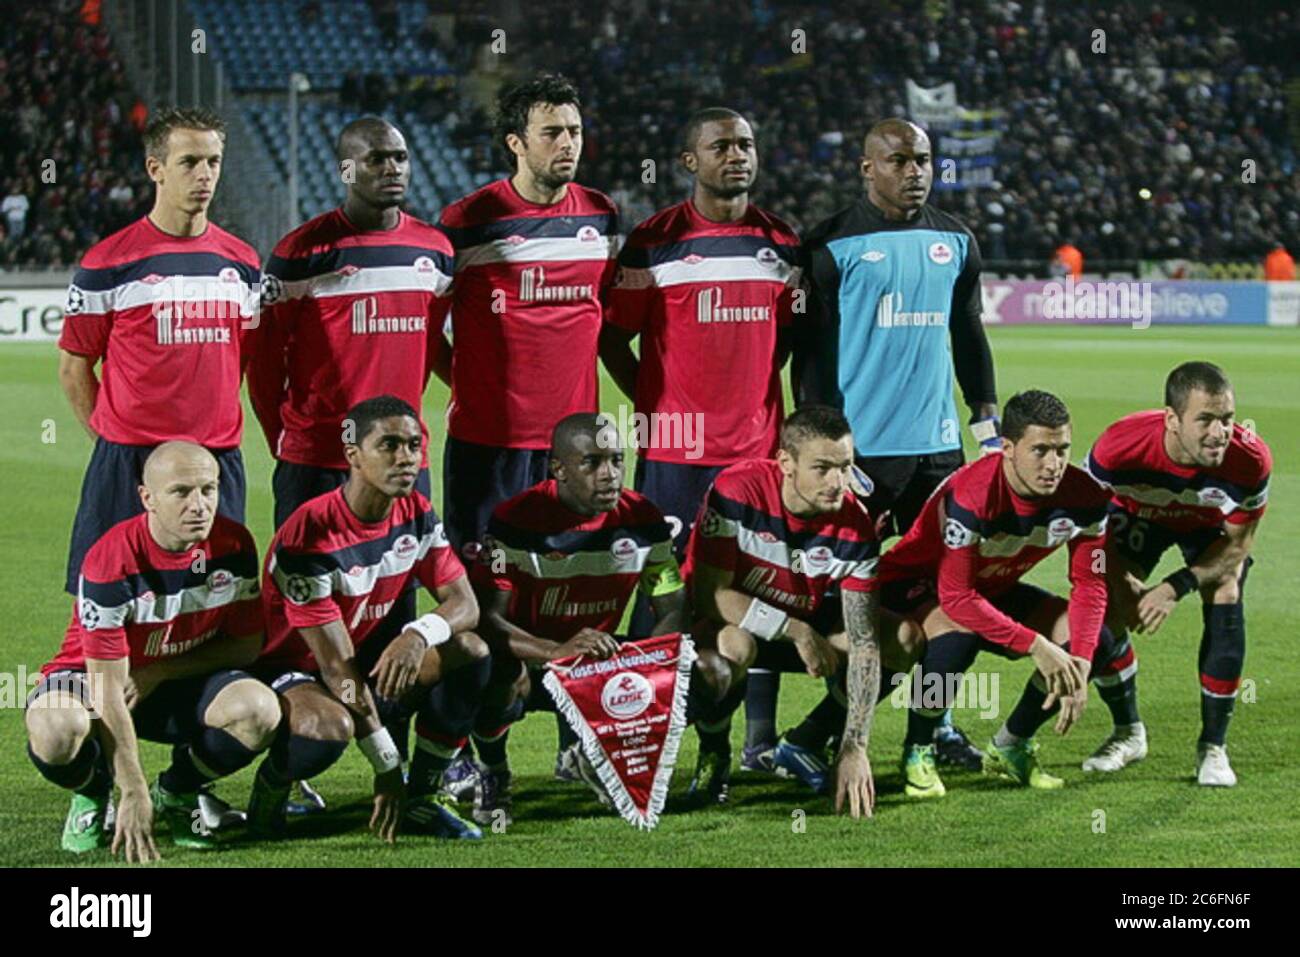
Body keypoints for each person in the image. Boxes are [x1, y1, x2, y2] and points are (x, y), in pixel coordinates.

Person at [245, 117, 455, 803]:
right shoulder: (301, 252)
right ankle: (294, 756)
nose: (392, 168)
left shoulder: (433, 250)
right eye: (376, 159)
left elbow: (437, 343)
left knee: (395, 619)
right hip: (314, 460)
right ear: (345, 169)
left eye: (399, 157)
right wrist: (293, 436)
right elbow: (262, 362)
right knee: (302, 626)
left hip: (399, 461)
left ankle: (387, 766)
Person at [787, 118, 999, 770]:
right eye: (901, 160)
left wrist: (986, 424)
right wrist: (826, 451)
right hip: (863, 460)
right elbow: (808, 358)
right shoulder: (828, 245)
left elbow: (968, 336)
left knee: (951, 596)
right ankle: (817, 733)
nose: (916, 172)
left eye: (924, 160)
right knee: (855, 603)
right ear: (866, 166)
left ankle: (938, 725)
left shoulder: (956, 241)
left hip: (938, 453)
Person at [427, 73, 620, 779]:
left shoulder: (600, 215)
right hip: (488, 448)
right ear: (516, 142)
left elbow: (606, 322)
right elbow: (428, 331)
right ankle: (473, 751)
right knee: (484, 601)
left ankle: (578, 739)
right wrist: (478, 389)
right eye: (551, 132)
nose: (567, 144)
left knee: (573, 593)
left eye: (573, 130)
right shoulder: (471, 219)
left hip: (573, 454)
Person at [600, 107, 800, 692]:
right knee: (664, 590)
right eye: (721, 147)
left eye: (745, 145)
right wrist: (653, 405)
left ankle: (757, 742)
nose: (736, 155)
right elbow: (613, 336)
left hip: (756, 453)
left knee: (758, 589)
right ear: (690, 161)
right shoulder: (655, 242)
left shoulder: (781, 242)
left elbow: (784, 338)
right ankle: (639, 720)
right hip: (674, 454)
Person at [458, 413, 733, 824]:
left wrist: (637, 668)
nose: (610, 475)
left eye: (617, 460)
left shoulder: (644, 520)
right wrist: (555, 650)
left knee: (713, 670)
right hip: (534, 662)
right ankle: (494, 771)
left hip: (601, 662)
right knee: (497, 676)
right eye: (592, 463)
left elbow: (672, 607)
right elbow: (489, 621)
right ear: (559, 469)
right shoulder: (513, 521)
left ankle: (660, 753)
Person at [251, 395, 490, 840]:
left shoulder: (415, 511)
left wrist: (419, 634)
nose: (407, 458)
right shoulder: (311, 535)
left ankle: (421, 797)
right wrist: (385, 765)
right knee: (330, 728)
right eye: (390, 445)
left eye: (414, 445)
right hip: (295, 672)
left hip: (359, 663)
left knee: (470, 651)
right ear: (353, 456)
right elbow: (336, 669)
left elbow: (465, 605)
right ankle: (271, 789)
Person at [25, 442, 276, 861]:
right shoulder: (112, 559)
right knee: (55, 728)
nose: (199, 505)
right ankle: (92, 794)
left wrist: (160, 671)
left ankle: (175, 792)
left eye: (208, 489)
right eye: (181, 492)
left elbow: (247, 646)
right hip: (94, 679)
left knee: (258, 710)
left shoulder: (234, 545)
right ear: (148, 498)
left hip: (173, 679)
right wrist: (131, 787)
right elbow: (108, 687)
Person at [871, 390, 1130, 798]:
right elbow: (955, 595)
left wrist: (1077, 658)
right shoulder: (975, 494)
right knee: (956, 638)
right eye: (1040, 450)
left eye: (1062, 449)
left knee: (1096, 641)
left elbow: (1091, 583)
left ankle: (1011, 745)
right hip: (913, 583)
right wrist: (1035, 646)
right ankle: (918, 747)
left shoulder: (1086, 497)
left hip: (988, 587)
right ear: (1007, 448)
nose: (1053, 464)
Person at [58, 107, 259, 600]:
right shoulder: (108, 262)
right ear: (156, 169)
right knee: (106, 597)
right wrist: (115, 440)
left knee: (216, 602)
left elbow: (241, 356)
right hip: (129, 461)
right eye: (190, 161)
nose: (205, 174)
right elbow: (74, 366)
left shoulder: (243, 263)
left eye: (213, 161)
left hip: (216, 458)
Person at [683, 406, 908, 803]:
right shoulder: (737, 491)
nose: (837, 482)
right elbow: (711, 595)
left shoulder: (856, 526)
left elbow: (865, 642)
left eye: (845, 467)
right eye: (822, 468)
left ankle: (807, 740)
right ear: (785, 462)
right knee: (737, 646)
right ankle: (715, 753)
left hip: (801, 618)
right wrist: (796, 630)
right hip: (731, 621)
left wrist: (856, 746)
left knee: (903, 640)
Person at [1082, 362, 1271, 786]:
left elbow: (1239, 545)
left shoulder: (1250, 460)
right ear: (1172, 419)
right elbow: (1086, 530)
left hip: (1206, 527)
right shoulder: (1119, 446)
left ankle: (1213, 748)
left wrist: (1175, 586)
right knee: (1108, 604)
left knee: (1226, 585)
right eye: (1204, 419)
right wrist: (1120, 582)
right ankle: (1128, 733)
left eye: (1226, 419)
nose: (1219, 432)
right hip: (1140, 516)